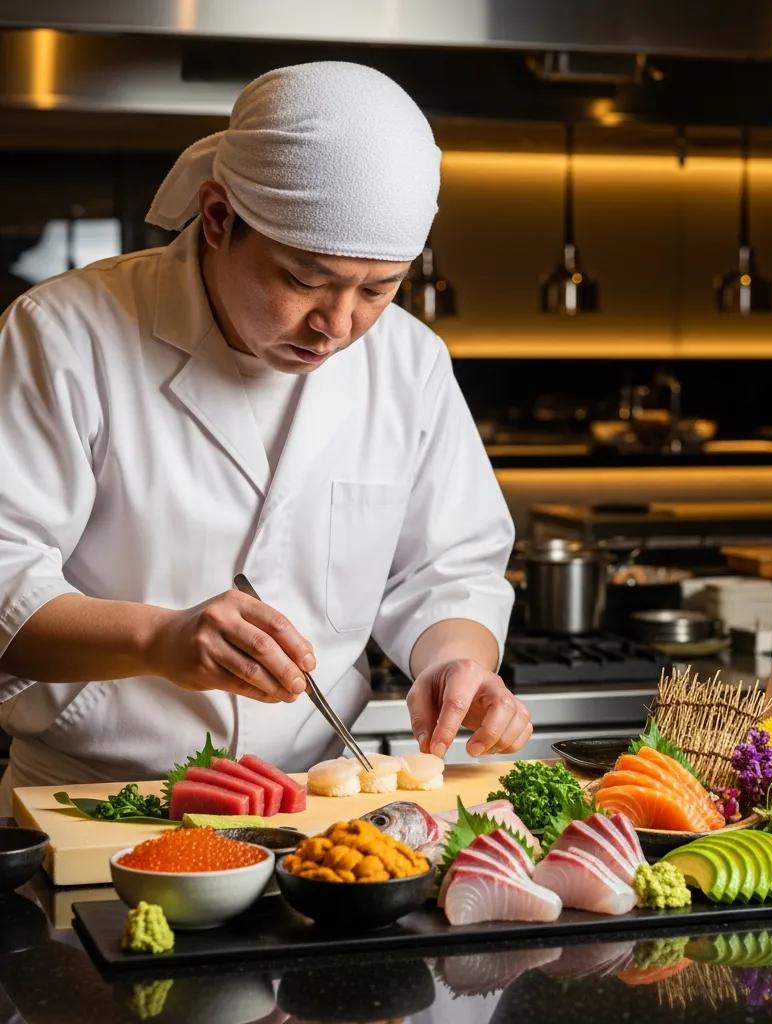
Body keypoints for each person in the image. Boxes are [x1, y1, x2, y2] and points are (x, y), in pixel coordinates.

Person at [0, 62, 530, 813]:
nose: (338, 324)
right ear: (218, 218)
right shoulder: (62, 335)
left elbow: (447, 567)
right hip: (92, 802)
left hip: (318, 802)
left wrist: (456, 661)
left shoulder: (409, 363)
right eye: (307, 280)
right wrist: (158, 640)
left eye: (378, 289)